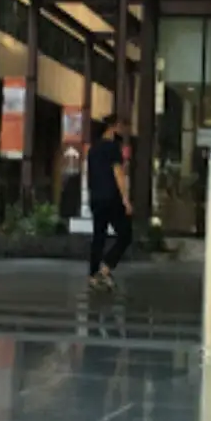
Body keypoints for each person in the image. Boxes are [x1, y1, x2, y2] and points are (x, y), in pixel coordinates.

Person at [87, 115, 132, 290]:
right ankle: (105, 268)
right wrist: (126, 199)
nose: (124, 130)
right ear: (115, 127)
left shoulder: (94, 148)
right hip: (111, 197)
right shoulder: (113, 148)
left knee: (99, 236)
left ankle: (92, 274)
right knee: (126, 234)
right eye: (123, 126)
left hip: (96, 197)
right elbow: (118, 174)